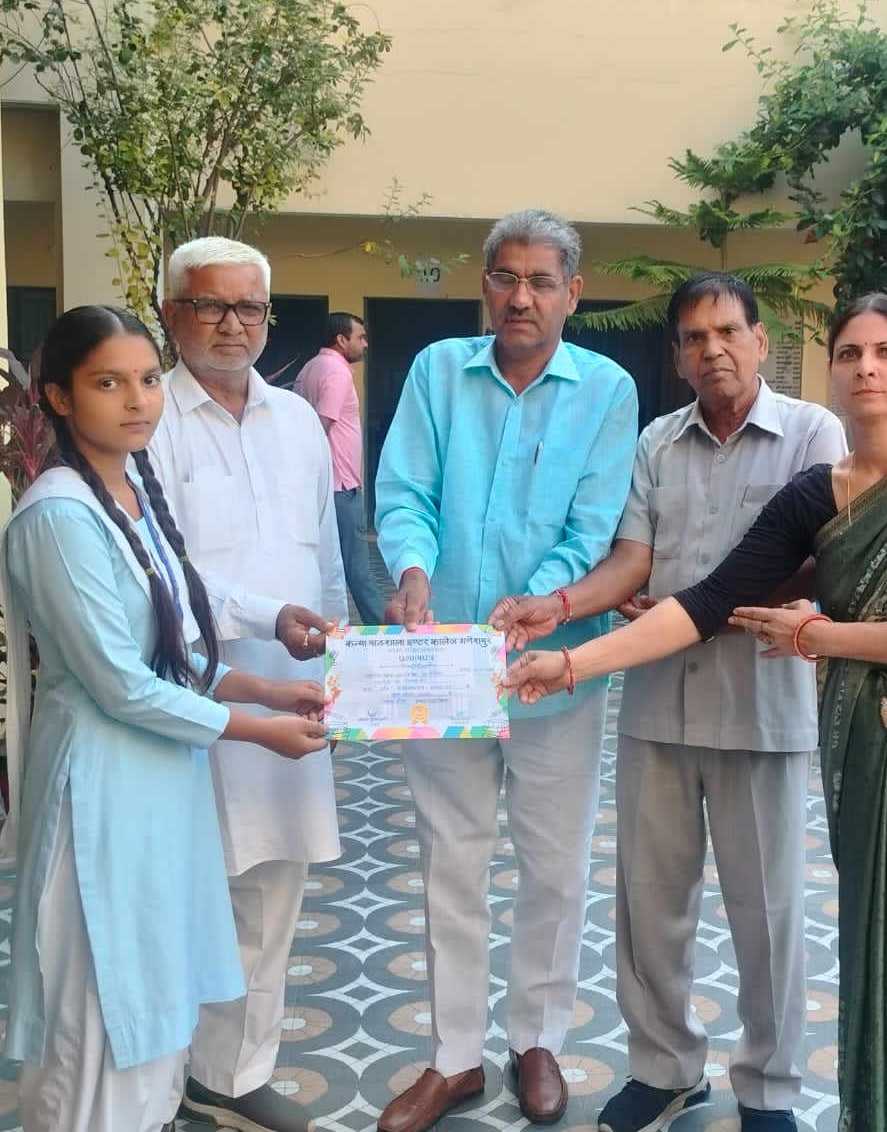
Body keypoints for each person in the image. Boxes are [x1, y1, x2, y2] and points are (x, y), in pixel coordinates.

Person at [506, 292, 887, 1132]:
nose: (867, 369)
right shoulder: (815, 492)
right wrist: (568, 663)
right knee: (880, 942)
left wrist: (817, 635)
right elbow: (707, 600)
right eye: (850, 354)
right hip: (865, 747)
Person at [490, 273, 845, 1132]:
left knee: (768, 914)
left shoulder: (812, 433)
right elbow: (633, 558)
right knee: (649, 907)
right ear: (679, 357)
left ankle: (768, 1088)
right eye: (693, 338)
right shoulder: (658, 440)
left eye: (727, 332)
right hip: (656, 705)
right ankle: (664, 1068)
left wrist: (703, 608)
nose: (712, 350)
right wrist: (564, 605)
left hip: (762, 709)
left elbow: (827, 558)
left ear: (760, 342)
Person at [0, 305, 329, 1132]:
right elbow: (120, 685)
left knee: (154, 983)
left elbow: (170, 647)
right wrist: (260, 730)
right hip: (101, 784)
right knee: (100, 1001)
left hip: (157, 778)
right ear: (59, 398)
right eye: (108, 383)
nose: (138, 400)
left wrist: (268, 691)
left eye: (147, 379)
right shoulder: (60, 516)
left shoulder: (131, 492)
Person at [373, 208, 639, 1132]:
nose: (520, 297)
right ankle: (454, 1058)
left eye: (540, 281)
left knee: (553, 867)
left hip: (553, 669)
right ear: (483, 284)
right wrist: (412, 568)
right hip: (443, 661)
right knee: (448, 860)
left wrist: (543, 601)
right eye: (504, 277)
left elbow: (595, 525)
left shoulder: (606, 390)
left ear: (573, 292)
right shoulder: (437, 371)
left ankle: (536, 1040)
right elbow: (404, 490)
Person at [145, 237, 348, 1132]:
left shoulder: (297, 419)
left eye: (251, 308)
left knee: (273, 887)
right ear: (171, 314)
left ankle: (233, 1073)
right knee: (177, 890)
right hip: (190, 697)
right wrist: (270, 617)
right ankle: (157, 1077)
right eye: (211, 305)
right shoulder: (148, 418)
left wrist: (341, 660)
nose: (233, 325)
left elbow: (324, 553)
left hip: (293, 694)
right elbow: (163, 576)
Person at [294, 311, 392, 623]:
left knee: (324, 564)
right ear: (341, 339)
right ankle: (383, 634)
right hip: (340, 486)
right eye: (360, 337)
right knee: (358, 568)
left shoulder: (310, 368)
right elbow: (320, 426)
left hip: (320, 485)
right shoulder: (337, 372)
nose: (365, 344)